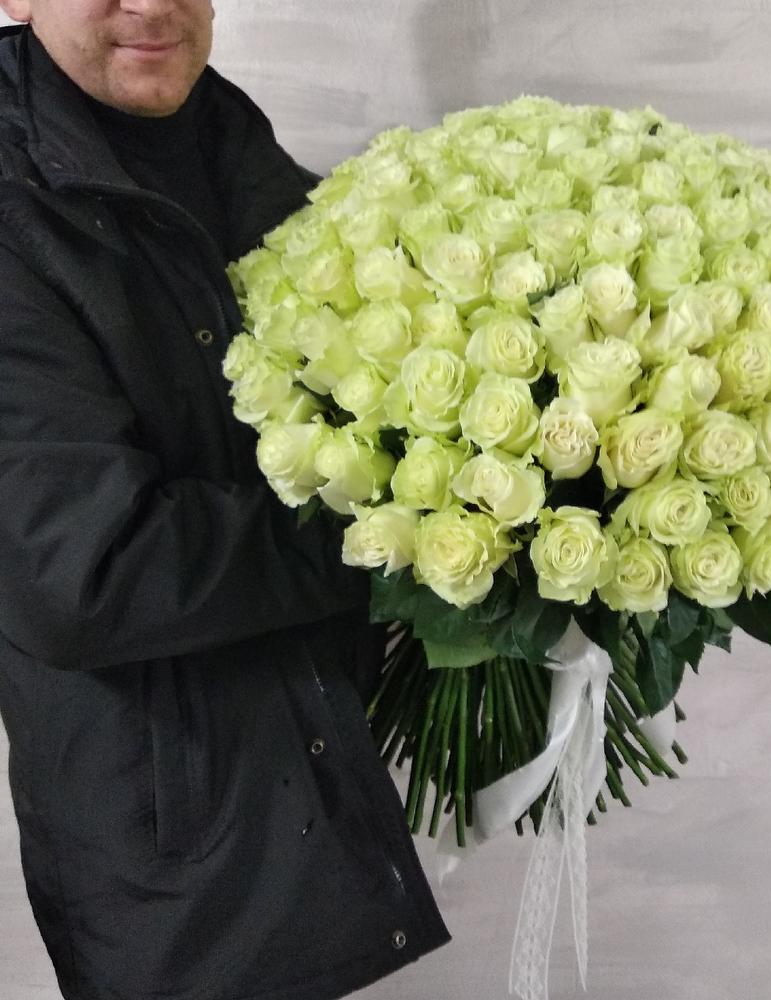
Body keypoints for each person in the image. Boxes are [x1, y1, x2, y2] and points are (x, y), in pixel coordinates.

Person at [0, 2, 451, 999]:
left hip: (315, 780)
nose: (154, 3)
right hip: (180, 865)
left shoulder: (223, 133)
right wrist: (408, 528)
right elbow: (84, 574)